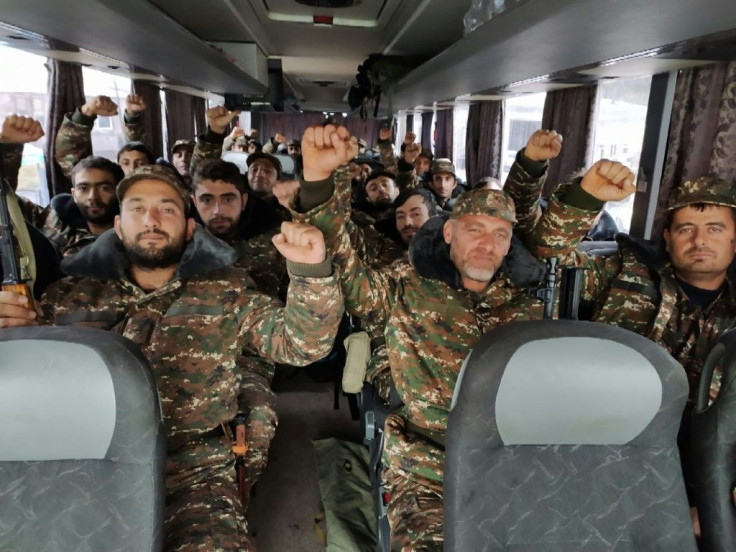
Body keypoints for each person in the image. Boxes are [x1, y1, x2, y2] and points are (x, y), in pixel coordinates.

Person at [0, 163, 343, 551]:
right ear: (118, 224)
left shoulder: (226, 292)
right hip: (86, 468)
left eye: (167, 208)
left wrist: (310, 272)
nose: (151, 219)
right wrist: (16, 335)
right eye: (137, 208)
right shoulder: (66, 299)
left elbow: (302, 346)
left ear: (190, 227)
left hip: (196, 471)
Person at [288, 124, 551, 551]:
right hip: (428, 465)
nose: (487, 244)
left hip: (517, 459)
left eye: (500, 234)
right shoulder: (408, 284)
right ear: (448, 232)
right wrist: (319, 183)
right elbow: (350, 278)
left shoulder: (527, 305)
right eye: (474, 230)